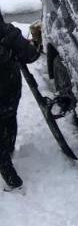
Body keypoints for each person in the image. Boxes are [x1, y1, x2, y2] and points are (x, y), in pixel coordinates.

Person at [0, 10, 41, 191]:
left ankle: (8, 168)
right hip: (8, 91)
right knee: (9, 120)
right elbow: (30, 55)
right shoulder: (8, 34)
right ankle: (8, 155)